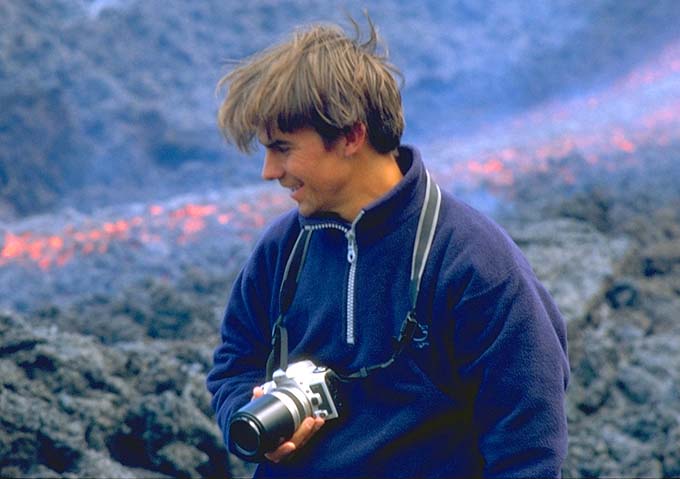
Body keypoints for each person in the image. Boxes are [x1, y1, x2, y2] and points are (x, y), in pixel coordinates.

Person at [206, 17, 569, 478]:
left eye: (282, 148)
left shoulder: (473, 265)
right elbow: (233, 364)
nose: (269, 171)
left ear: (352, 136)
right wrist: (249, 414)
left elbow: (527, 450)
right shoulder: (282, 251)